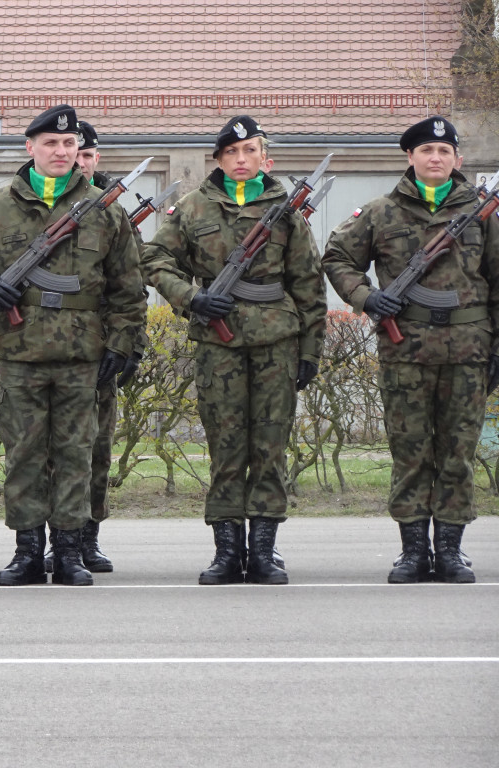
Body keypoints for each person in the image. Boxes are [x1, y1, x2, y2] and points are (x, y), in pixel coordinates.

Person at [0, 104, 146, 586]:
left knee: (76, 453)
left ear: (79, 151)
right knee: (24, 453)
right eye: (50, 143)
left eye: (69, 144)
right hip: (21, 353)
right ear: (29, 148)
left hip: (82, 356)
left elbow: (128, 288)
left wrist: (121, 342)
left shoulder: (104, 212)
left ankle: (70, 550)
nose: (60, 151)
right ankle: (27, 550)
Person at [142, 115, 326, 585]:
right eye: (231, 153)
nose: (241, 160)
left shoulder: (286, 210)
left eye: (250, 152)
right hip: (217, 344)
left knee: (270, 447)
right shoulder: (193, 207)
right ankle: (227, 552)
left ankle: (263, 551)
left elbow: (308, 284)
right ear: (218, 159)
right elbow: (154, 259)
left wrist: (310, 352)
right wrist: (190, 298)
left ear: (265, 157)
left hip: (277, 343)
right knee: (225, 447)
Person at [323, 115, 499, 584]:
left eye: (444, 151)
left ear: (457, 159)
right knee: (410, 453)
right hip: (406, 356)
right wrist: (366, 297)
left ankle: (452, 552)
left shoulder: (484, 216)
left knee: (458, 454)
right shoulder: (382, 212)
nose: (435, 158)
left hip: (467, 355)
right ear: (411, 157)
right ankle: (413, 552)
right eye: (426, 151)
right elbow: (337, 257)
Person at [70, 119, 146, 573]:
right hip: (56, 343)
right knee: (48, 451)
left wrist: (132, 344)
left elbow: (132, 287)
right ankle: (51, 537)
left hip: (102, 347)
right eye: (74, 153)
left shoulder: (115, 210)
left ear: (96, 159)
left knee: (97, 447)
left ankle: (88, 536)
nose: (80, 161)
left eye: (86, 154)